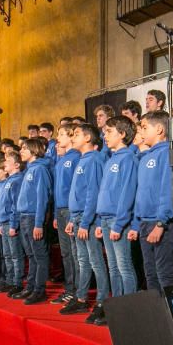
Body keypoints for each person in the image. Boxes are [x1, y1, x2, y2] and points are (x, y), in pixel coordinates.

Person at [62, 124, 111, 324]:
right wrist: (73, 219)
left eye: (76, 134)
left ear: (89, 137)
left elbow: (93, 193)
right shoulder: (83, 159)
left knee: (95, 261)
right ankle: (81, 297)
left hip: (87, 220)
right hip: (78, 217)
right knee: (82, 260)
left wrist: (86, 222)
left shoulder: (95, 160)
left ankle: (102, 302)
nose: (72, 138)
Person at [130, 111, 173, 289]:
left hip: (159, 222)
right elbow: (140, 194)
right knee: (149, 271)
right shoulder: (145, 157)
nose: (141, 132)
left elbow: (168, 189)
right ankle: (155, 312)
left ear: (159, 129)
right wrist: (136, 222)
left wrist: (161, 223)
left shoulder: (167, 153)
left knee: (164, 272)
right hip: (144, 221)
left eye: (144, 127)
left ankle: (167, 314)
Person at [97, 116, 139, 298]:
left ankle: (129, 307)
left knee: (124, 266)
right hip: (106, 218)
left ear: (122, 134)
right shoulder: (111, 159)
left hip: (117, 220)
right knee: (113, 266)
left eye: (109, 132)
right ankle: (116, 307)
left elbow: (127, 193)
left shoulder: (128, 158)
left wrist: (120, 223)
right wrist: (100, 221)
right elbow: (104, 193)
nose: (105, 136)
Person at [15, 137, 52, 304]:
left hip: (32, 217)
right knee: (31, 254)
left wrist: (38, 223)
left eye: (24, 149)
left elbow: (42, 198)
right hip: (24, 216)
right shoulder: (29, 169)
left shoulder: (40, 170)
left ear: (34, 150)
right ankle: (30, 286)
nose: (21, 151)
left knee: (39, 255)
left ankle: (39, 289)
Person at [51, 124, 81, 305]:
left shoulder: (75, 157)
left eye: (61, 134)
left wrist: (73, 213)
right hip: (61, 210)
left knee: (75, 253)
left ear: (71, 137)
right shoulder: (60, 160)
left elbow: (75, 188)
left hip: (71, 210)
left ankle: (78, 289)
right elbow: (57, 191)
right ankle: (70, 287)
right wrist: (56, 214)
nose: (57, 138)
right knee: (66, 253)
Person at [0, 151, 27, 296]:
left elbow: (15, 205)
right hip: (3, 222)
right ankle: (9, 280)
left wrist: (12, 224)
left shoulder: (17, 180)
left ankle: (17, 282)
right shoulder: (8, 180)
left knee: (16, 255)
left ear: (16, 165)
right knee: (7, 254)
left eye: (8, 161)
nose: (5, 163)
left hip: (10, 223)